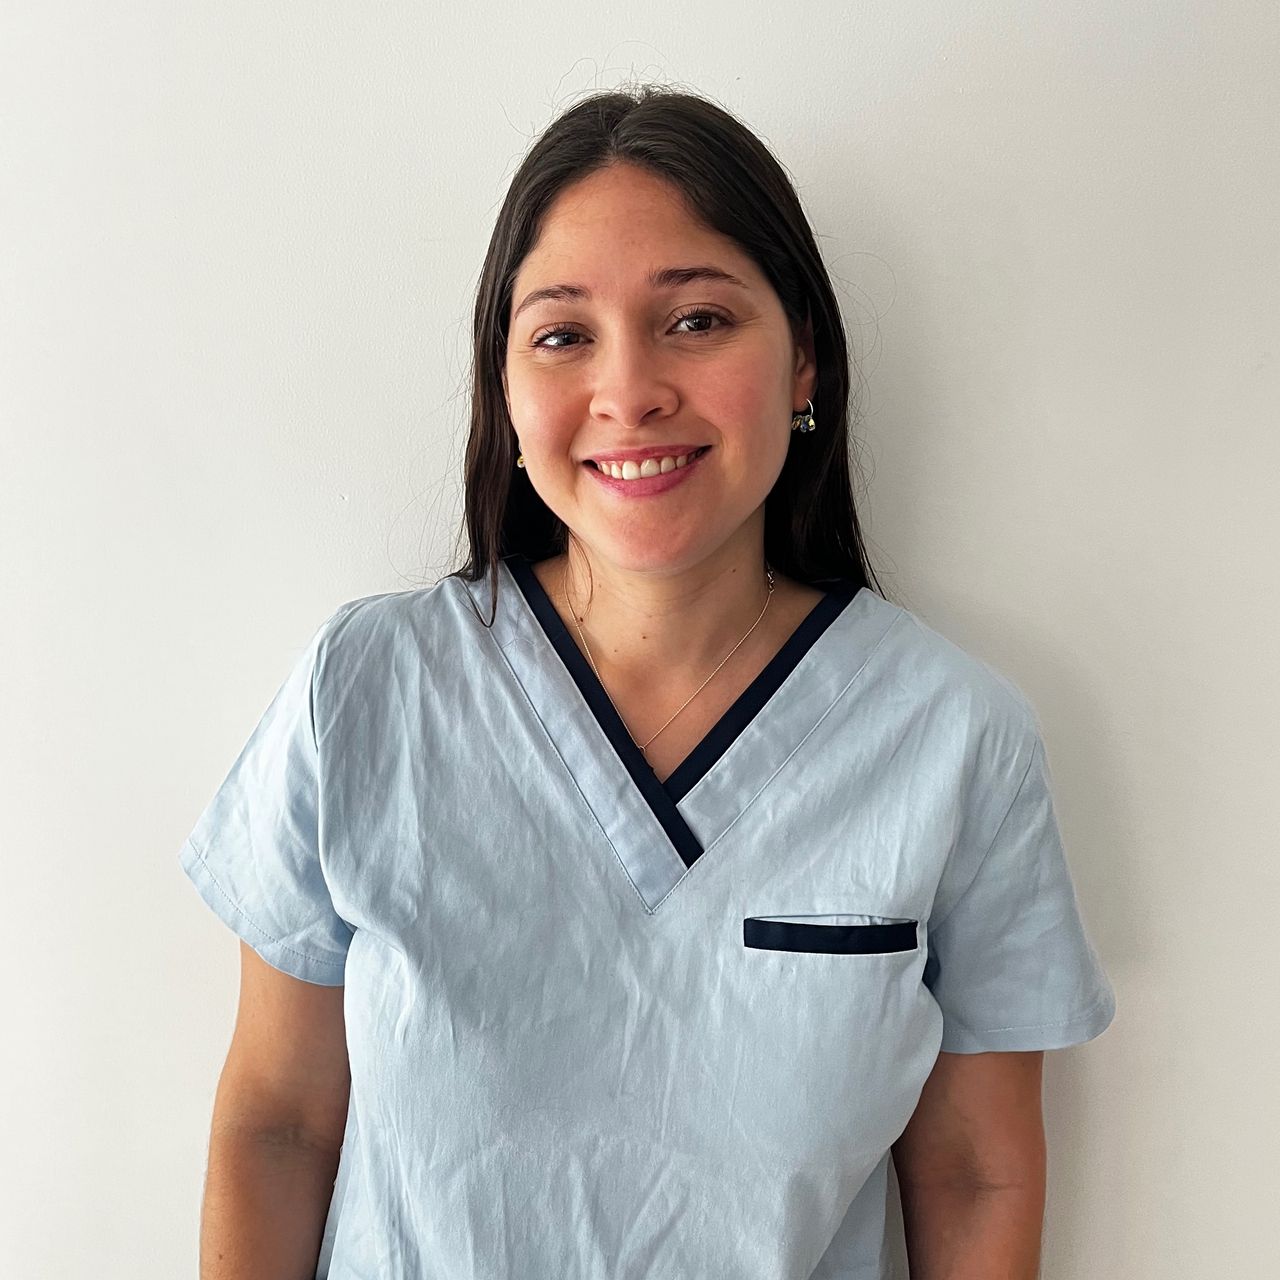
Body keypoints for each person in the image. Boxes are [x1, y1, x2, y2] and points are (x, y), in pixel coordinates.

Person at [178, 85, 1116, 1279]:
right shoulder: (363, 691)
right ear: (504, 386)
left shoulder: (951, 737)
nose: (628, 391)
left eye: (695, 319)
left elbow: (973, 1169)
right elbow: (277, 1122)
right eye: (562, 334)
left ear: (802, 361)